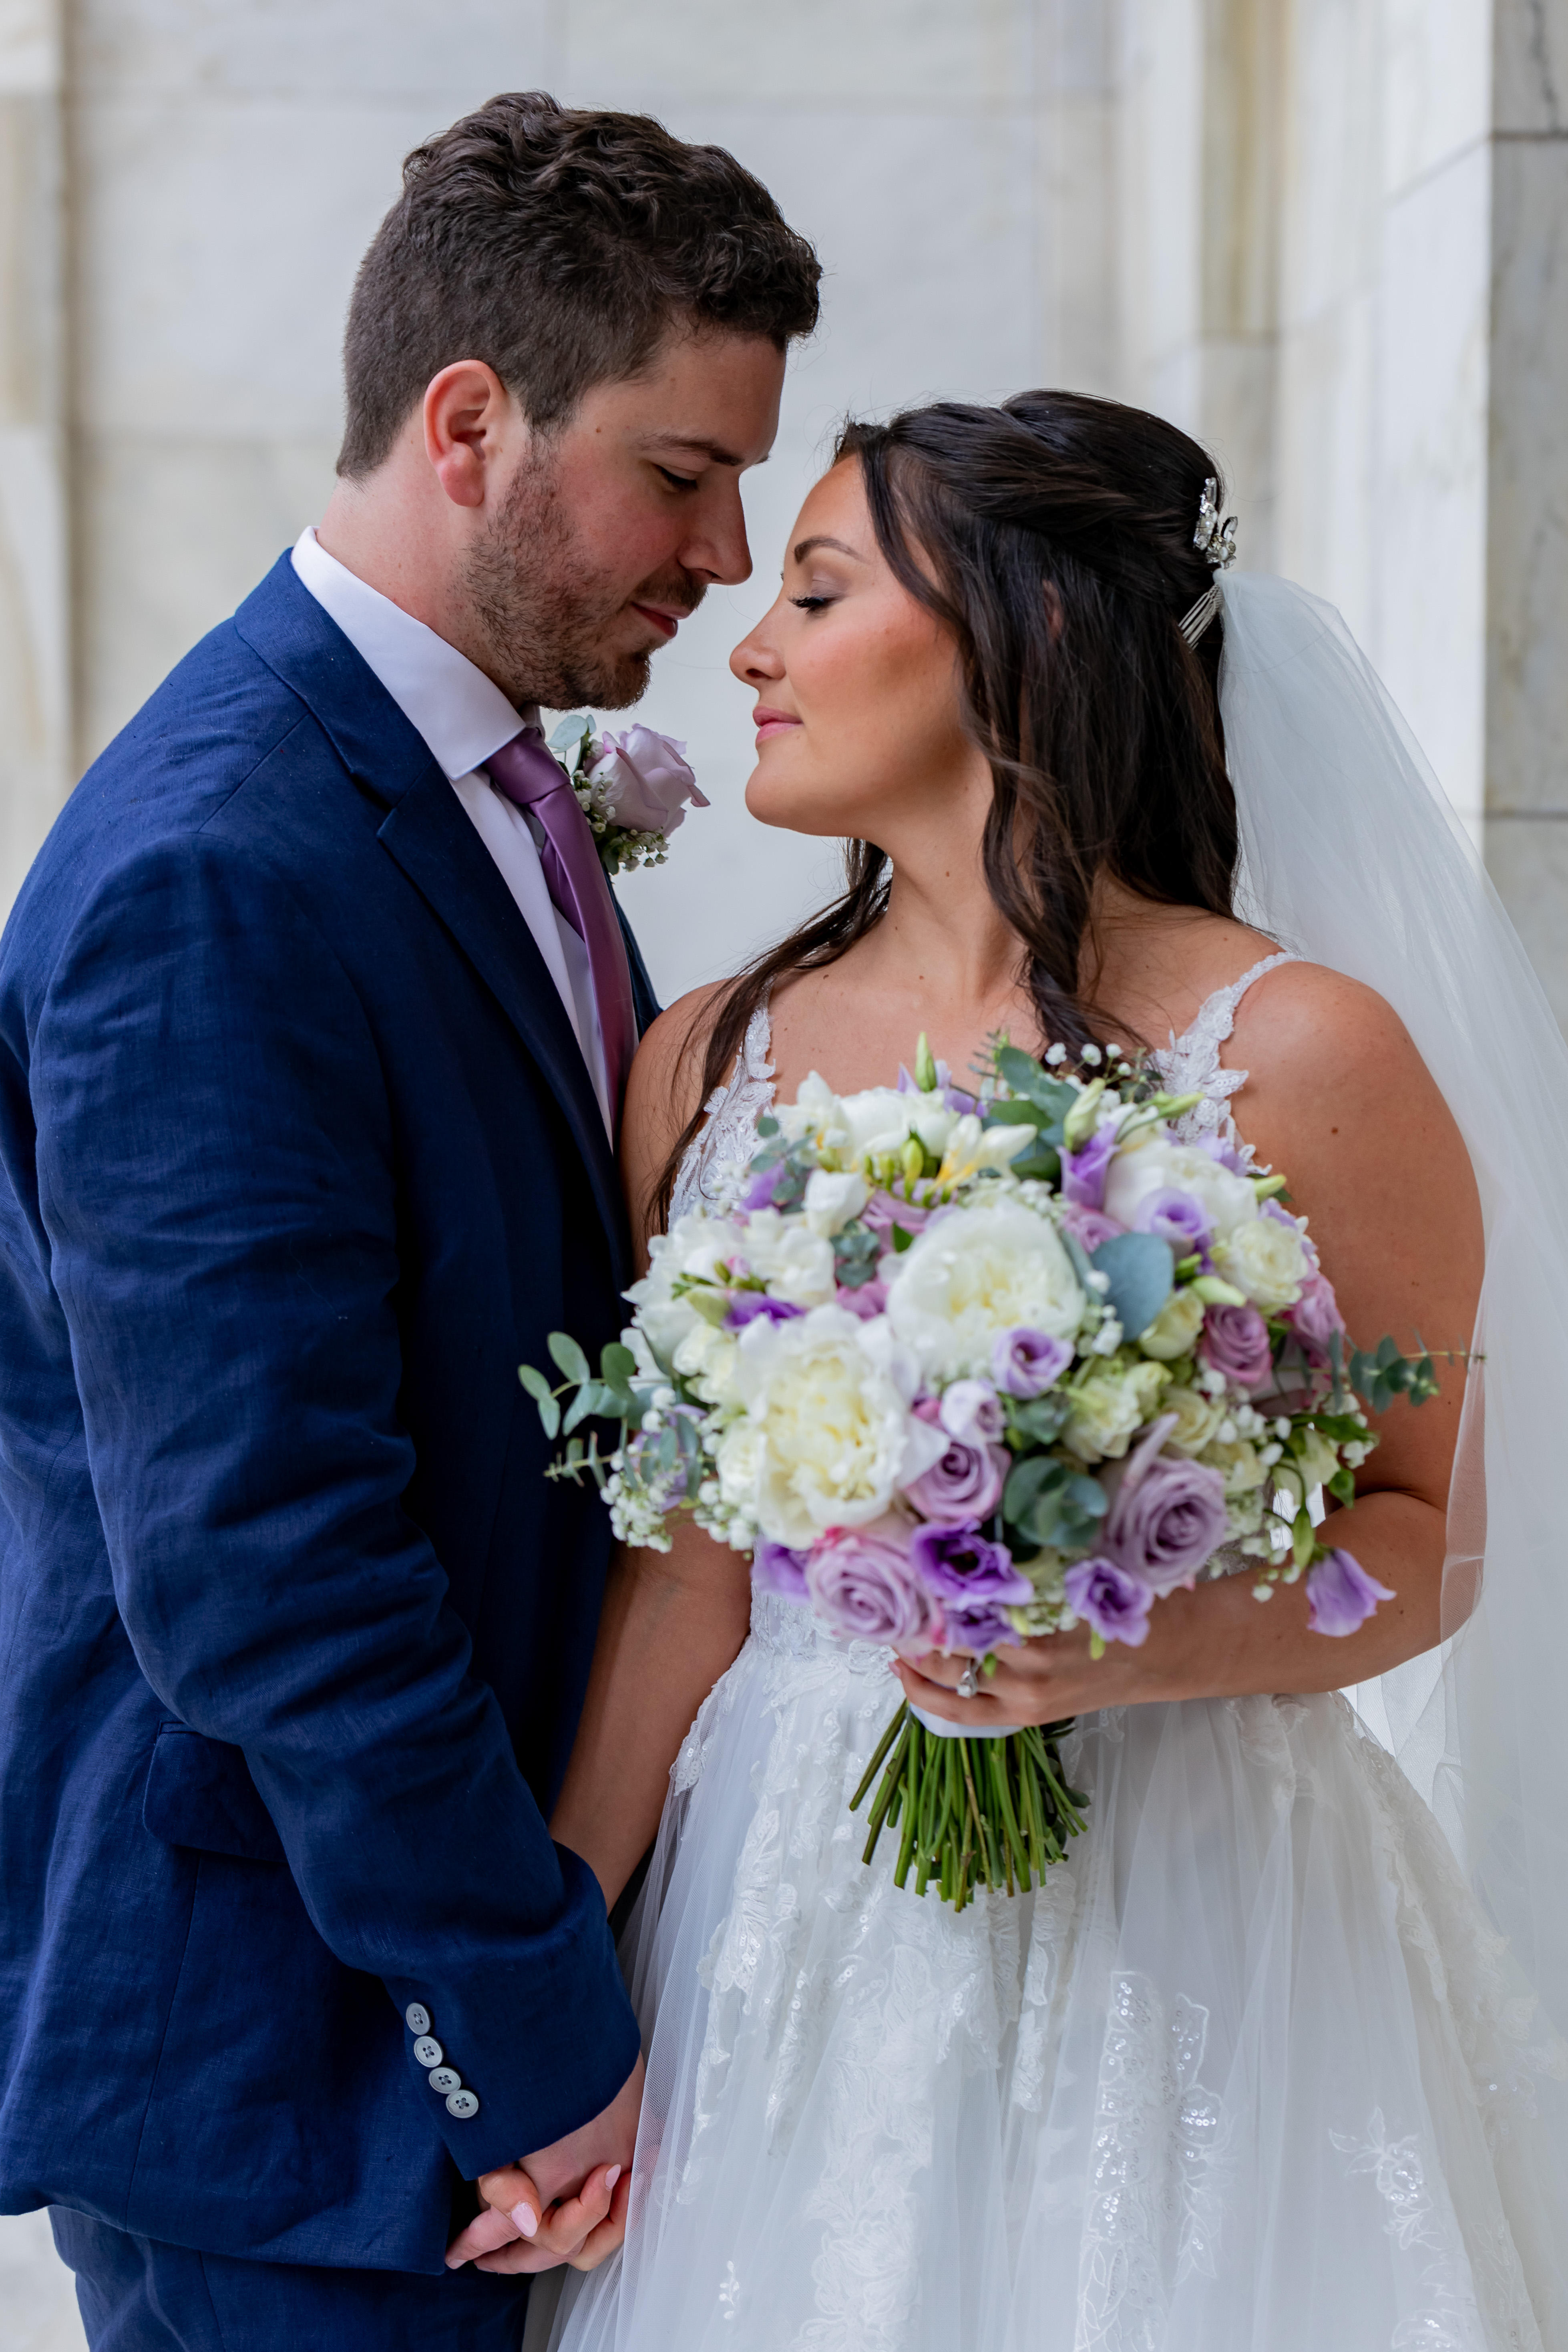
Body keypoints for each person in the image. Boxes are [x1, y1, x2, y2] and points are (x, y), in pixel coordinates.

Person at [487, 393, 1568, 2347]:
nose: (748, 641)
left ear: (1029, 639)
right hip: (793, 1894)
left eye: (815, 590)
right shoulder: (708, 1058)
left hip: (1198, 1903)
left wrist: (1145, 1644)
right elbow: (681, 1565)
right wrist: (547, 1985)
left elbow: (1426, 1539)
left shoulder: (1303, 1055)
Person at [0, 92, 817, 2350]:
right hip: (310, 2077)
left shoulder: (488, 784)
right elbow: (267, 1556)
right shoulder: (211, 867)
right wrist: (527, 2029)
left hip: (467, 2024)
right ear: (468, 422)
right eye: (681, 473)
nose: (730, 554)